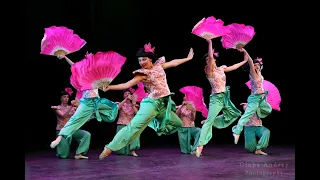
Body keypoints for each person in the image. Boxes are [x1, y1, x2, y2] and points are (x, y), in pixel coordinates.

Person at [99, 43, 194, 159]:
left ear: (150, 59)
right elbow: (127, 84)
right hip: (151, 104)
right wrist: (110, 87)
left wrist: (188, 58)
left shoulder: (158, 66)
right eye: (139, 60)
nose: (142, 62)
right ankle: (109, 148)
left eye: (144, 59)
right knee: (133, 127)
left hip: (162, 105)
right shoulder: (143, 74)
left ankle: (153, 123)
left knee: (178, 123)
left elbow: (174, 63)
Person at [49, 55, 119, 149]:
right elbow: (74, 65)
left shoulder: (97, 76)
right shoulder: (82, 75)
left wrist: (105, 86)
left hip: (97, 102)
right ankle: (59, 138)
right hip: (86, 103)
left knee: (113, 108)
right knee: (74, 120)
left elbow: (104, 84)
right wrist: (65, 57)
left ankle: (93, 115)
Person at [195, 39, 247, 157]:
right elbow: (209, 55)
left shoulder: (221, 69)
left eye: (211, 59)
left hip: (225, 97)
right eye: (207, 60)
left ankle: (210, 120)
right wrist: (209, 42)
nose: (209, 61)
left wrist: (243, 61)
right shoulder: (209, 71)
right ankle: (200, 145)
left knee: (234, 114)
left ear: (215, 60)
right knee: (208, 123)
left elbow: (233, 67)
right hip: (216, 98)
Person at [232, 48, 272, 145]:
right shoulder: (253, 73)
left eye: (258, 64)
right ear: (251, 67)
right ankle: (236, 132)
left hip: (260, 98)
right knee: (246, 116)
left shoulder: (259, 73)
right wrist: (245, 50)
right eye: (254, 65)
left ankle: (254, 108)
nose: (256, 66)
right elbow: (250, 61)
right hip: (255, 98)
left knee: (269, 109)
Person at [51, 88, 91, 159]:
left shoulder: (73, 108)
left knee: (86, 134)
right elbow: (64, 115)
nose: (66, 99)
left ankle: (79, 154)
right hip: (62, 131)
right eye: (64, 97)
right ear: (60, 98)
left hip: (72, 130)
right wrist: (72, 107)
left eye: (67, 97)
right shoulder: (57, 108)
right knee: (64, 156)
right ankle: (60, 150)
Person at [114, 90, 140, 156]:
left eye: (129, 93)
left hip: (131, 124)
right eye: (125, 93)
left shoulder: (134, 105)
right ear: (123, 95)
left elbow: (137, 114)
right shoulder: (120, 103)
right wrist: (125, 99)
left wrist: (133, 104)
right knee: (121, 147)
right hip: (122, 123)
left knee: (135, 134)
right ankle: (121, 150)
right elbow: (118, 108)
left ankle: (132, 150)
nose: (127, 95)